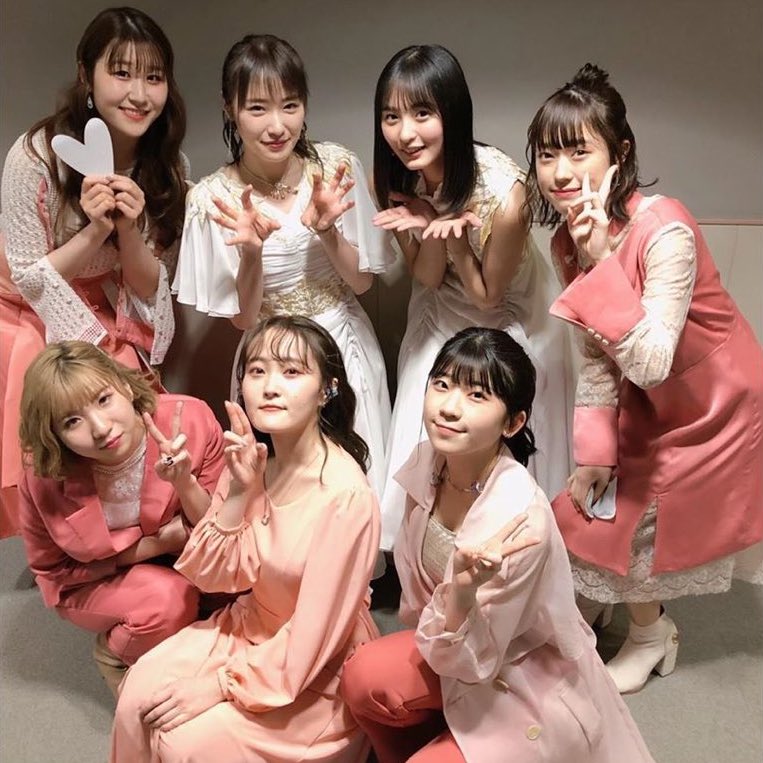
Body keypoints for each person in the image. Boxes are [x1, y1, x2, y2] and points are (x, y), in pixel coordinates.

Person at [525, 63, 763, 693]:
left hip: (710, 401)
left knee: (641, 525)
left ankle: (652, 635)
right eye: (547, 155)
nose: (561, 172)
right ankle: (609, 607)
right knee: (592, 500)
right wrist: (594, 453)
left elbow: (654, 360)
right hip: (646, 392)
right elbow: (598, 355)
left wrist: (603, 262)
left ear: (620, 153)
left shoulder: (666, 228)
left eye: (579, 151)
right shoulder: (570, 239)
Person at [341, 327, 654, 762]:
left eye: (477, 396)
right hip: (450, 642)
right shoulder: (429, 463)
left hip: (518, 669)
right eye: (442, 384)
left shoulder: (520, 518)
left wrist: (461, 595)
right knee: (362, 677)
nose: (449, 407)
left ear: (513, 423)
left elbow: (477, 659)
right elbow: (420, 608)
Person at [112, 315, 381, 763]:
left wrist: (221, 684)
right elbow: (217, 578)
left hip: (314, 658)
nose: (270, 387)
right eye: (257, 371)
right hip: (248, 627)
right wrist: (237, 491)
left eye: (291, 372)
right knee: (137, 695)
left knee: (185, 744)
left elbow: (315, 632)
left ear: (326, 390)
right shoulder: (254, 460)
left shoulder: (346, 496)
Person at [172, 34, 393, 495]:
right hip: (269, 361)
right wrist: (251, 254)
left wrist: (327, 232)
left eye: (290, 105)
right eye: (257, 108)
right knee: (282, 493)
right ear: (230, 108)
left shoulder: (334, 167)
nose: (277, 126)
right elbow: (244, 318)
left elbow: (361, 283)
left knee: (353, 484)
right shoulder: (214, 199)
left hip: (343, 345)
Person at [373, 44, 573, 549]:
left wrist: (454, 237)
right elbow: (427, 276)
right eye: (391, 117)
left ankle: (506, 550)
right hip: (442, 307)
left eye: (422, 113)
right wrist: (429, 227)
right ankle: (430, 550)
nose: (405, 133)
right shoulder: (397, 177)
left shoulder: (506, 194)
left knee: (500, 439)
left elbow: (488, 298)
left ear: (453, 113)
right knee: (430, 418)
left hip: (508, 315)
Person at [0, 6, 188, 538]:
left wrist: (127, 229)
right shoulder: (36, 156)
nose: (139, 94)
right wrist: (94, 230)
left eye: (154, 77)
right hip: (32, 312)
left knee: (128, 431)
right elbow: (30, 277)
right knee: (59, 453)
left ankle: (122, 546)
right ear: (86, 75)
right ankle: (67, 554)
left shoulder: (169, 167)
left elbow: (151, 285)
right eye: (121, 73)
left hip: (115, 307)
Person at [17, 341, 224, 696]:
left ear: (125, 386)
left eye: (103, 399)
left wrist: (184, 484)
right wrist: (155, 545)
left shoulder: (191, 420)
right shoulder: (44, 477)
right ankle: (115, 655)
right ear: (56, 436)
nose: (100, 428)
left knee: (247, 583)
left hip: (189, 549)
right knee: (167, 601)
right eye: (72, 421)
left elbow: (221, 526)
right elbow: (53, 571)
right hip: (96, 576)